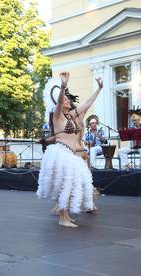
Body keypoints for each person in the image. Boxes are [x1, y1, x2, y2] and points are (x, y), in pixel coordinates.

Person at [37, 72, 103, 227]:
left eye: (67, 99)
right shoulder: (57, 115)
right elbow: (60, 102)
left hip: (71, 154)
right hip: (61, 153)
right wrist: (63, 86)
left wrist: (99, 89)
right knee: (64, 186)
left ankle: (65, 214)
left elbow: (87, 103)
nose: (67, 100)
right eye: (66, 99)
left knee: (71, 184)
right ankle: (62, 217)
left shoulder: (71, 115)